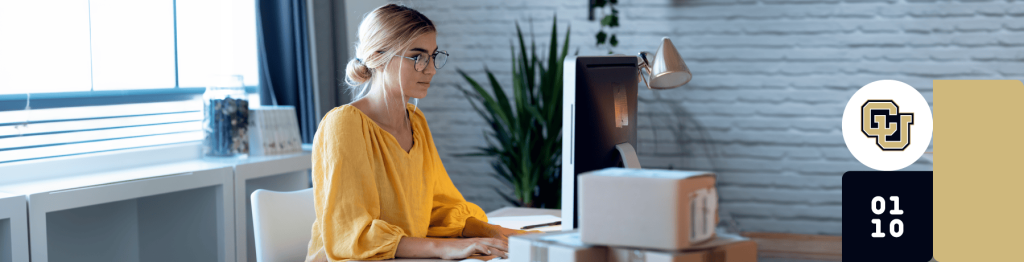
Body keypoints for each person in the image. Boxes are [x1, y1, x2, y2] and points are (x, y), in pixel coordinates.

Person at [305, 4, 538, 262]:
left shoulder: (416, 121)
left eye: (433, 56)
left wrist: (493, 231)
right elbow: (353, 235)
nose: (431, 69)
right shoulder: (343, 125)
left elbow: (439, 208)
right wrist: (443, 248)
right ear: (378, 56)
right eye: (418, 57)